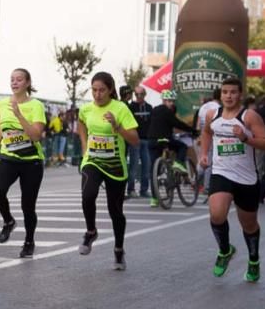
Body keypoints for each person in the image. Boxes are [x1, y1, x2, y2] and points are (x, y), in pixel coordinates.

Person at [199, 77, 265, 282]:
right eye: (225, 92)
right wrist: (204, 153)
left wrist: (246, 138)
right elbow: (206, 132)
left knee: (248, 224)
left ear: (240, 94)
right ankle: (225, 251)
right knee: (217, 214)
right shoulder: (213, 114)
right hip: (221, 173)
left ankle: (254, 260)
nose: (228, 96)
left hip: (247, 178)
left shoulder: (249, 117)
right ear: (220, 94)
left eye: (233, 92)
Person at [76, 72, 140, 270]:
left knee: (116, 212)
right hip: (93, 161)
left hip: (115, 165)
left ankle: (119, 250)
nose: (97, 94)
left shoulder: (121, 108)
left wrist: (117, 126)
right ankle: (91, 231)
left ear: (111, 89)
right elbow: (81, 125)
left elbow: (135, 140)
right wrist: (85, 146)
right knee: (88, 196)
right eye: (94, 90)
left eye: (102, 90)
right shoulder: (86, 109)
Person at [0, 68, 47, 258]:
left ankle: (29, 241)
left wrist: (19, 114)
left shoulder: (36, 105)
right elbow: (2, 124)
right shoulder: (2, 103)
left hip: (31, 161)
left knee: (28, 206)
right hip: (9, 157)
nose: (14, 83)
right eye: (12, 79)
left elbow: (37, 135)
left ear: (28, 83)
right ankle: (8, 221)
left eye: (19, 79)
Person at [146, 90, 195, 207]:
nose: (170, 103)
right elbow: (177, 123)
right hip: (164, 139)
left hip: (152, 141)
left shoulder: (154, 110)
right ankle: (178, 163)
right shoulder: (167, 111)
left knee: (153, 169)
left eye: (172, 101)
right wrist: (193, 130)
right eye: (168, 101)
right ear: (164, 100)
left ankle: (154, 199)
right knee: (182, 146)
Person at [127, 86, 152, 197]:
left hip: (146, 140)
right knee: (134, 166)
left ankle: (144, 190)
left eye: (141, 94)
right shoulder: (131, 107)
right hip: (134, 141)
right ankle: (131, 189)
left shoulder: (149, 107)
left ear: (145, 94)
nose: (139, 97)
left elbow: (152, 124)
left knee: (146, 166)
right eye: (137, 94)